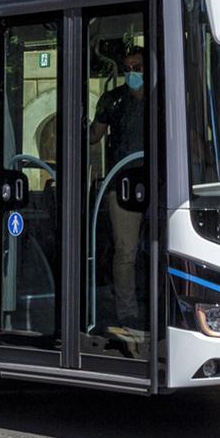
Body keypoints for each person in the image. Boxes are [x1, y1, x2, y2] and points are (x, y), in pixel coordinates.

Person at [88, 44, 149, 338]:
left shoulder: (162, 99)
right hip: (121, 183)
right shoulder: (113, 100)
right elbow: (93, 136)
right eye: (127, 69)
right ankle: (128, 313)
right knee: (125, 250)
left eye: (137, 68)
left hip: (158, 183)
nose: (132, 74)